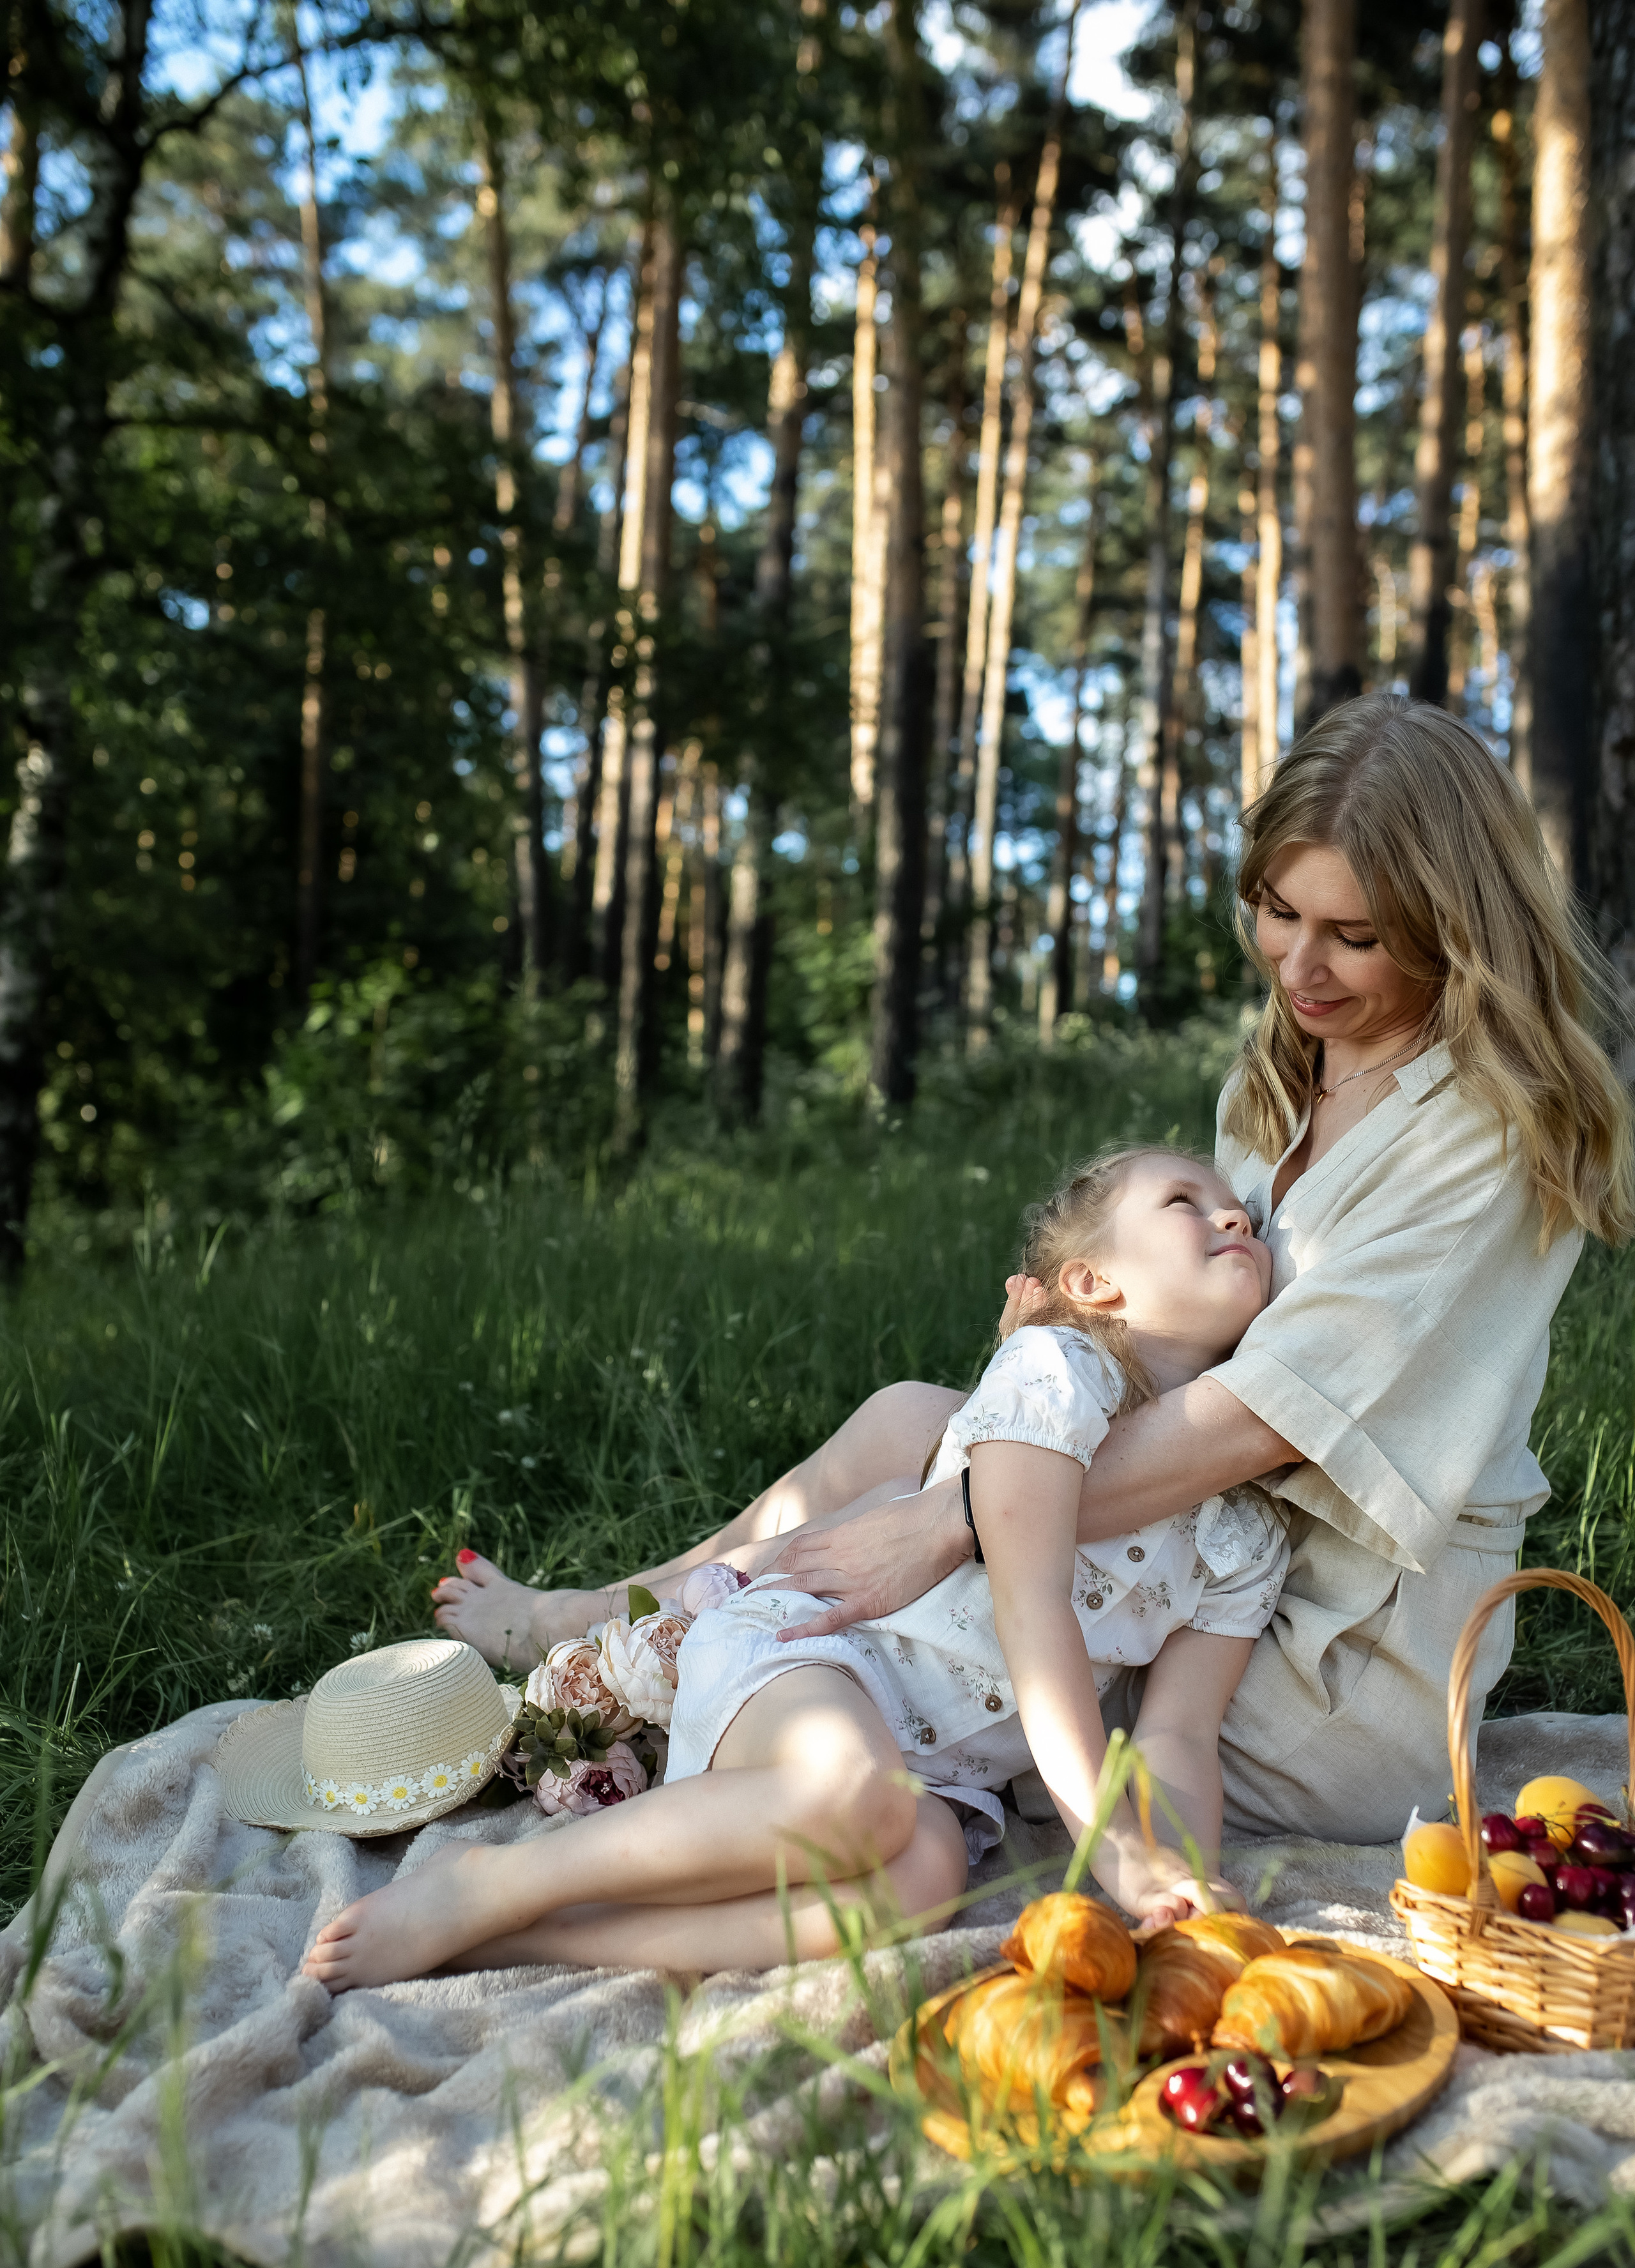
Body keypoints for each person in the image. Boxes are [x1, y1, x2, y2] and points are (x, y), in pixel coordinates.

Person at [436, 697, 1635, 1848]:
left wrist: (954, 1520)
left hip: (1315, 1654)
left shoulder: (1486, 1136)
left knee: (909, 1565)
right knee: (913, 1422)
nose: (1299, 968)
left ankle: (671, 1671)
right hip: (1195, 1541)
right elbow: (1197, 1341)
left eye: (1356, 937)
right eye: (1278, 912)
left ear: (1454, 930)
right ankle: (620, 1622)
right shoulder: (1275, 1087)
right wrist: (1050, 1355)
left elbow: (1260, 1421)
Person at [303, 1148, 1286, 1988]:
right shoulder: (1057, 1380)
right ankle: (494, 1882)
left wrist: (1181, 1885)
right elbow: (1033, 1611)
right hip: (820, 1651)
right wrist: (1118, 1856)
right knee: (850, 1789)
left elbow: (1177, 1737)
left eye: (1232, 1208)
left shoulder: (1243, 1534)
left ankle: (544, 1939)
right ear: (1092, 1282)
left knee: (924, 1878)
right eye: (1182, 1202)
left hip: (938, 1776)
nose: (1232, 1212)